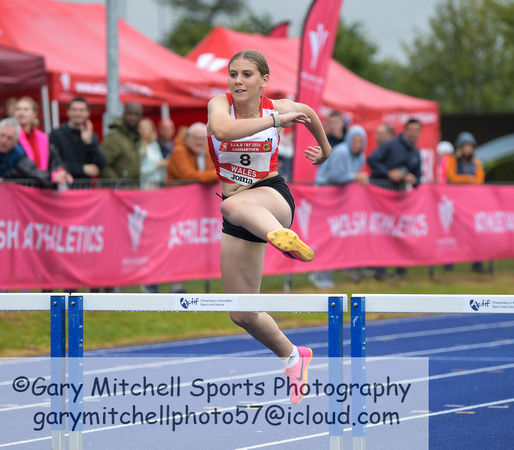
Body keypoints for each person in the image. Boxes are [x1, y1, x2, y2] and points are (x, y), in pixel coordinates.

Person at [207, 49, 331, 405]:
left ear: (264, 80)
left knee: (231, 205)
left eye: (247, 74)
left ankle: (281, 236)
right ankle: (294, 357)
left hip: (272, 198)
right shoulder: (220, 105)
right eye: (233, 74)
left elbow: (308, 113)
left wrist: (324, 149)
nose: (237, 81)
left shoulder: (280, 105)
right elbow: (221, 130)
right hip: (241, 218)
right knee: (241, 312)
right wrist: (276, 121)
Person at [312, 125, 369, 287]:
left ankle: (326, 274)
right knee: (324, 236)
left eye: (361, 141)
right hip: (325, 197)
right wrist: (355, 176)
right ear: (350, 139)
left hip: (339, 201)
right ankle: (319, 275)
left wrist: (354, 178)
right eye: (355, 140)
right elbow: (335, 176)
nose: (358, 144)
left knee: (335, 236)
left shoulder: (361, 157)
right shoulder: (342, 152)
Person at [368, 118, 423, 277]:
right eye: (411, 129)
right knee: (381, 232)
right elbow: (372, 160)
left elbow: (418, 177)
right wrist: (388, 173)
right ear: (405, 130)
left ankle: (401, 267)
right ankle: (379, 270)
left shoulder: (416, 152)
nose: (413, 133)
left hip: (401, 200)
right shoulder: (390, 144)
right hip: (382, 197)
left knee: (399, 231)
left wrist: (414, 180)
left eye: (417, 130)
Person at [447, 131, 485, 273]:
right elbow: (452, 177)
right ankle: (449, 264)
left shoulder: (476, 163)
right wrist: (468, 179)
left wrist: (464, 180)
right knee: (453, 232)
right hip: (457, 202)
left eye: (470, 146)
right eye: (465, 146)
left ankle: (477, 264)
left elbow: (479, 180)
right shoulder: (453, 161)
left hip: (472, 203)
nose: (467, 149)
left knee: (475, 233)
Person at [14, 97, 72, 188]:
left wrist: (61, 172)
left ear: (34, 114)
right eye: (18, 109)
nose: (21, 112)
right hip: (20, 189)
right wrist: (51, 177)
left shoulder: (42, 137)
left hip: (41, 188)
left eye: (26, 109)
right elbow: (22, 167)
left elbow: (55, 160)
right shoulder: (11, 136)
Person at [49, 97, 106, 187]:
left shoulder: (92, 136)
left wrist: (89, 143)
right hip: (62, 188)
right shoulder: (56, 134)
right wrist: (82, 169)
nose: (78, 113)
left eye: (81, 110)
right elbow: (55, 163)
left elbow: (101, 164)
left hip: (85, 189)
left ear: (88, 113)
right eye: (74, 110)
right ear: (68, 112)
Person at [0, 118, 71, 188]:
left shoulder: (19, 153)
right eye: (2, 135)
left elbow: (30, 170)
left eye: (9, 138)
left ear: (16, 141)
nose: (4, 140)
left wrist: (52, 176)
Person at [100, 101, 143, 181]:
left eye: (137, 115)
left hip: (131, 189)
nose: (133, 117)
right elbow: (103, 163)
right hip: (116, 190)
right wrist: (117, 182)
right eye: (130, 114)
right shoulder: (115, 136)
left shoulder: (136, 136)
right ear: (123, 114)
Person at [138, 118, 167, 189]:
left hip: (158, 185)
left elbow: (161, 163)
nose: (144, 129)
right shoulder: (138, 146)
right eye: (141, 127)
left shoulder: (155, 145)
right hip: (144, 185)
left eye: (146, 127)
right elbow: (139, 171)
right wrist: (157, 166)